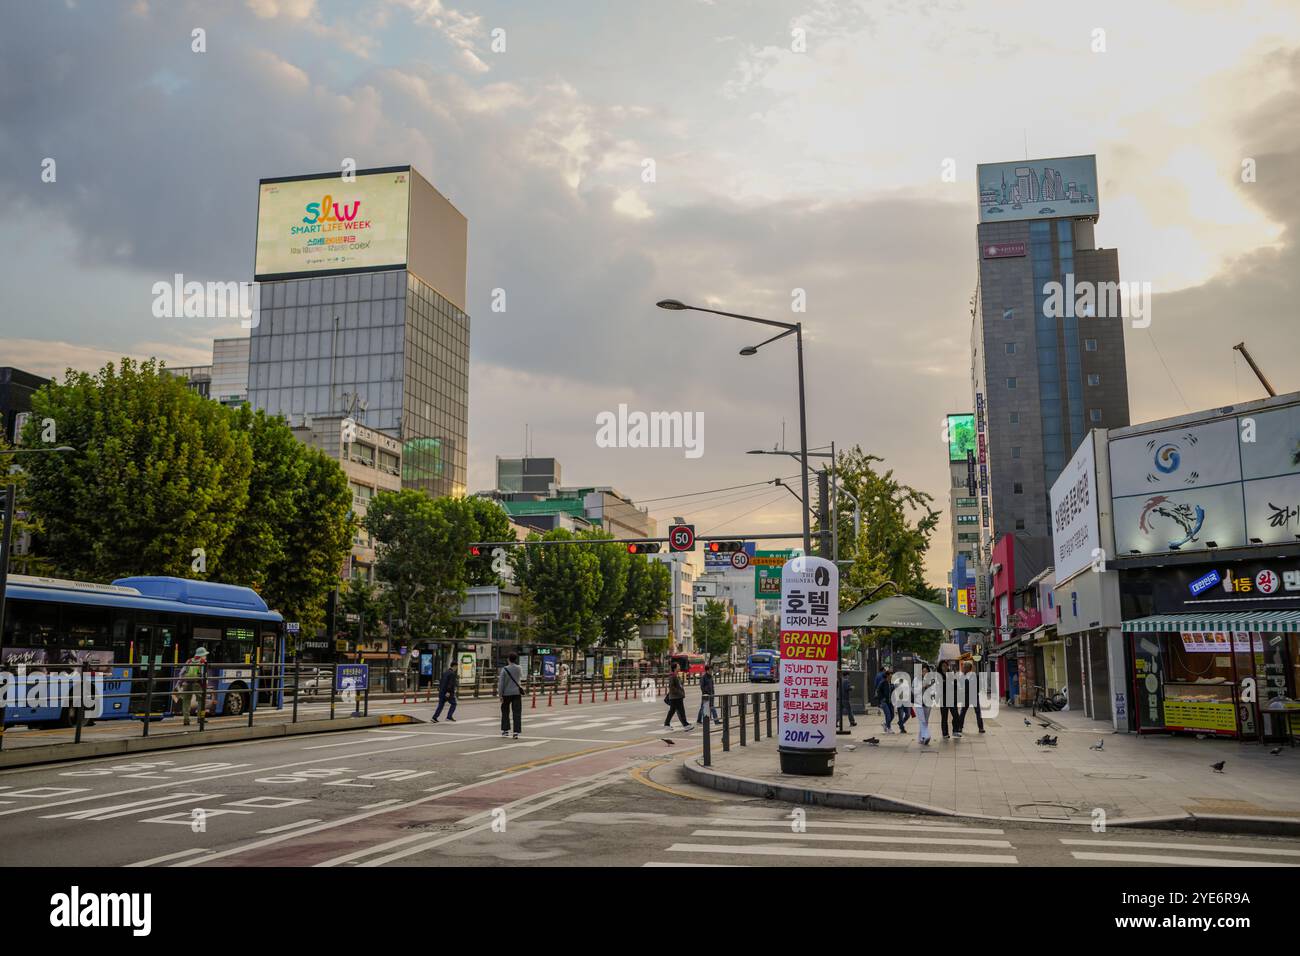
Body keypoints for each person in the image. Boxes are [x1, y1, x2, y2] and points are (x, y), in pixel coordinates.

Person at [174, 646, 208, 726]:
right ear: (202, 655)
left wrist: (179, 683)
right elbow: (204, 674)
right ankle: (200, 718)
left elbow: (181, 673)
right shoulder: (203, 661)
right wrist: (204, 684)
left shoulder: (189, 661)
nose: (205, 656)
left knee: (186, 701)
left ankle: (186, 719)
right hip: (197, 683)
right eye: (205, 654)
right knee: (201, 701)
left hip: (187, 683)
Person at [497, 653, 525, 738]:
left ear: (508, 659)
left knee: (505, 712)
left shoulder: (504, 669)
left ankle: (505, 730)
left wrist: (500, 695)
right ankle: (516, 732)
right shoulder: (519, 668)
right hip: (517, 693)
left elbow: (501, 683)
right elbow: (521, 677)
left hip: (506, 694)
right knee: (517, 712)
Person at [955, 659, 985, 734]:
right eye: (963, 667)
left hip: (973, 696)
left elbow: (979, 685)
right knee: (963, 712)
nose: (963, 668)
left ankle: (981, 728)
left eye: (964, 667)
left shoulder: (974, 675)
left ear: (968, 668)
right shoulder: (962, 676)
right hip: (966, 696)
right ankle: (960, 727)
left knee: (977, 712)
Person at [663, 663, 691, 731]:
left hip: (676, 697)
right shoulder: (672, 676)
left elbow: (678, 685)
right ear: (675, 668)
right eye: (678, 666)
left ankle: (667, 724)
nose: (679, 667)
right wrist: (679, 692)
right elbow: (671, 687)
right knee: (680, 711)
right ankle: (685, 725)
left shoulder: (676, 675)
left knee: (673, 711)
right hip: (675, 697)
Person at [914, 662, 933, 746]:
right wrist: (923, 686)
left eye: (926, 671)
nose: (925, 673)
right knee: (922, 721)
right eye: (923, 671)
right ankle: (926, 736)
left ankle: (921, 738)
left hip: (927, 703)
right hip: (919, 703)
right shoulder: (916, 680)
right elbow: (914, 691)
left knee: (925, 721)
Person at [874, 665, 895, 733]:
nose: (891, 676)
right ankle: (889, 728)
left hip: (890, 701)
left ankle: (885, 724)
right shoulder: (883, 683)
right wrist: (881, 699)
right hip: (884, 701)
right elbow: (878, 691)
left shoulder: (891, 683)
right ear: (887, 676)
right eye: (890, 675)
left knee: (892, 715)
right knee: (888, 715)